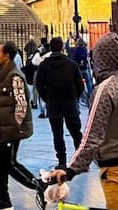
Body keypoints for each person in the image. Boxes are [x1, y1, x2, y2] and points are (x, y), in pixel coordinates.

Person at [51, 33, 118, 210]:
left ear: (101, 58)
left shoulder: (105, 89)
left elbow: (92, 136)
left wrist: (70, 170)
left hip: (117, 170)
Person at [0, 41, 42, 210]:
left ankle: (40, 187)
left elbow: (21, 105)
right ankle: (3, 199)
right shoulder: (2, 74)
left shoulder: (15, 76)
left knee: (10, 163)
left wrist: (12, 129)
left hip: (9, 130)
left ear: (7, 55)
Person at [34, 36, 84, 169]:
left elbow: (39, 85)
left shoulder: (44, 65)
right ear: (62, 48)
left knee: (57, 134)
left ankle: (62, 161)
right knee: (76, 132)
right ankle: (80, 159)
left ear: (50, 48)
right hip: (70, 103)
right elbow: (80, 85)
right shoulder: (71, 64)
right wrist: (74, 97)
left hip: (54, 103)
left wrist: (47, 98)